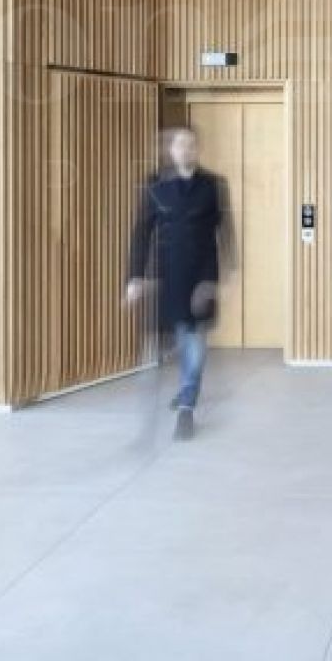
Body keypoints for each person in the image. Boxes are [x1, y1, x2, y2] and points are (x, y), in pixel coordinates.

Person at [125, 126, 231, 438]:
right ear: (170, 151)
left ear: (197, 149)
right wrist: (135, 276)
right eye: (179, 145)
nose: (185, 150)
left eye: (190, 145)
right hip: (169, 277)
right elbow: (141, 232)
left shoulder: (213, 185)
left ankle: (187, 404)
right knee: (180, 338)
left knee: (195, 339)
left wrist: (220, 276)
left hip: (202, 276)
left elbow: (224, 231)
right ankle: (186, 387)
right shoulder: (155, 187)